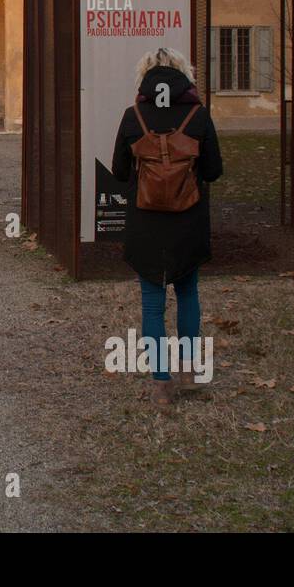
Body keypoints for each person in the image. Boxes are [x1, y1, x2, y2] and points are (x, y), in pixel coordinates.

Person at [110, 47, 223, 410]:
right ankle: (189, 371)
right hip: (188, 221)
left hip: (146, 223)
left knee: (152, 303)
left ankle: (161, 384)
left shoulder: (133, 116)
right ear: (185, 74)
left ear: (144, 76)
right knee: (188, 294)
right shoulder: (198, 115)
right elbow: (213, 171)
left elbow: (120, 173)